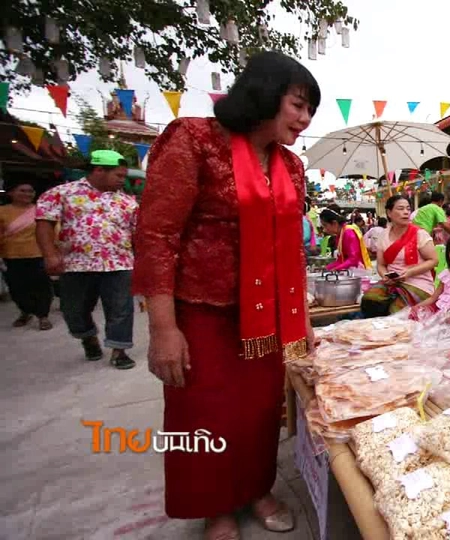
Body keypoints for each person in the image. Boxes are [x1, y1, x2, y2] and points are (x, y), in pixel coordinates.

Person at [132, 51, 319, 538]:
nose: (304, 118)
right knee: (206, 414)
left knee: (259, 413)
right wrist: (163, 328)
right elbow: (157, 235)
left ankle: (256, 489)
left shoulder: (291, 166)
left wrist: (303, 320)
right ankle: (217, 507)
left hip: (267, 318)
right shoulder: (194, 139)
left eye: (310, 111)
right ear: (263, 92)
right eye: (298, 105)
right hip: (201, 312)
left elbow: (289, 250)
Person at [36, 150, 138, 369]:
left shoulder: (128, 202)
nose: (122, 180)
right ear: (98, 170)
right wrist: (50, 255)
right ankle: (87, 337)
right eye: (118, 175)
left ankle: (119, 350)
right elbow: (44, 222)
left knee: (121, 309)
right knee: (73, 309)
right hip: (76, 264)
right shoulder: (61, 193)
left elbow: (138, 233)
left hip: (119, 263)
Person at [361, 195, 439, 317]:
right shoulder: (383, 235)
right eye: (401, 208)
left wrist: (410, 272)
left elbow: (434, 260)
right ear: (389, 212)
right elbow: (381, 265)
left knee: (397, 312)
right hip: (392, 282)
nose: (406, 212)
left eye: (408, 209)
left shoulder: (420, 234)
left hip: (417, 283)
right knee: (369, 301)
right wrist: (385, 276)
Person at [0, 180, 53, 330]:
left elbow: (52, 231)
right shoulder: (2, 211)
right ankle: (25, 311)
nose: (27, 194)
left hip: (38, 254)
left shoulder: (41, 211)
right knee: (17, 288)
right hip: (11, 255)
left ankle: (43, 316)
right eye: (22, 190)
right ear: (11, 193)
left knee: (41, 286)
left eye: (30, 191)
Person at [321, 204, 371, 271]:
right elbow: (340, 260)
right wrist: (326, 268)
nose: (324, 229)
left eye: (325, 225)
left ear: (334, 223)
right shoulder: (340, 234)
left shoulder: (348, 232)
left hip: (358, 272)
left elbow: (354, 259)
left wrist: (335, 269)